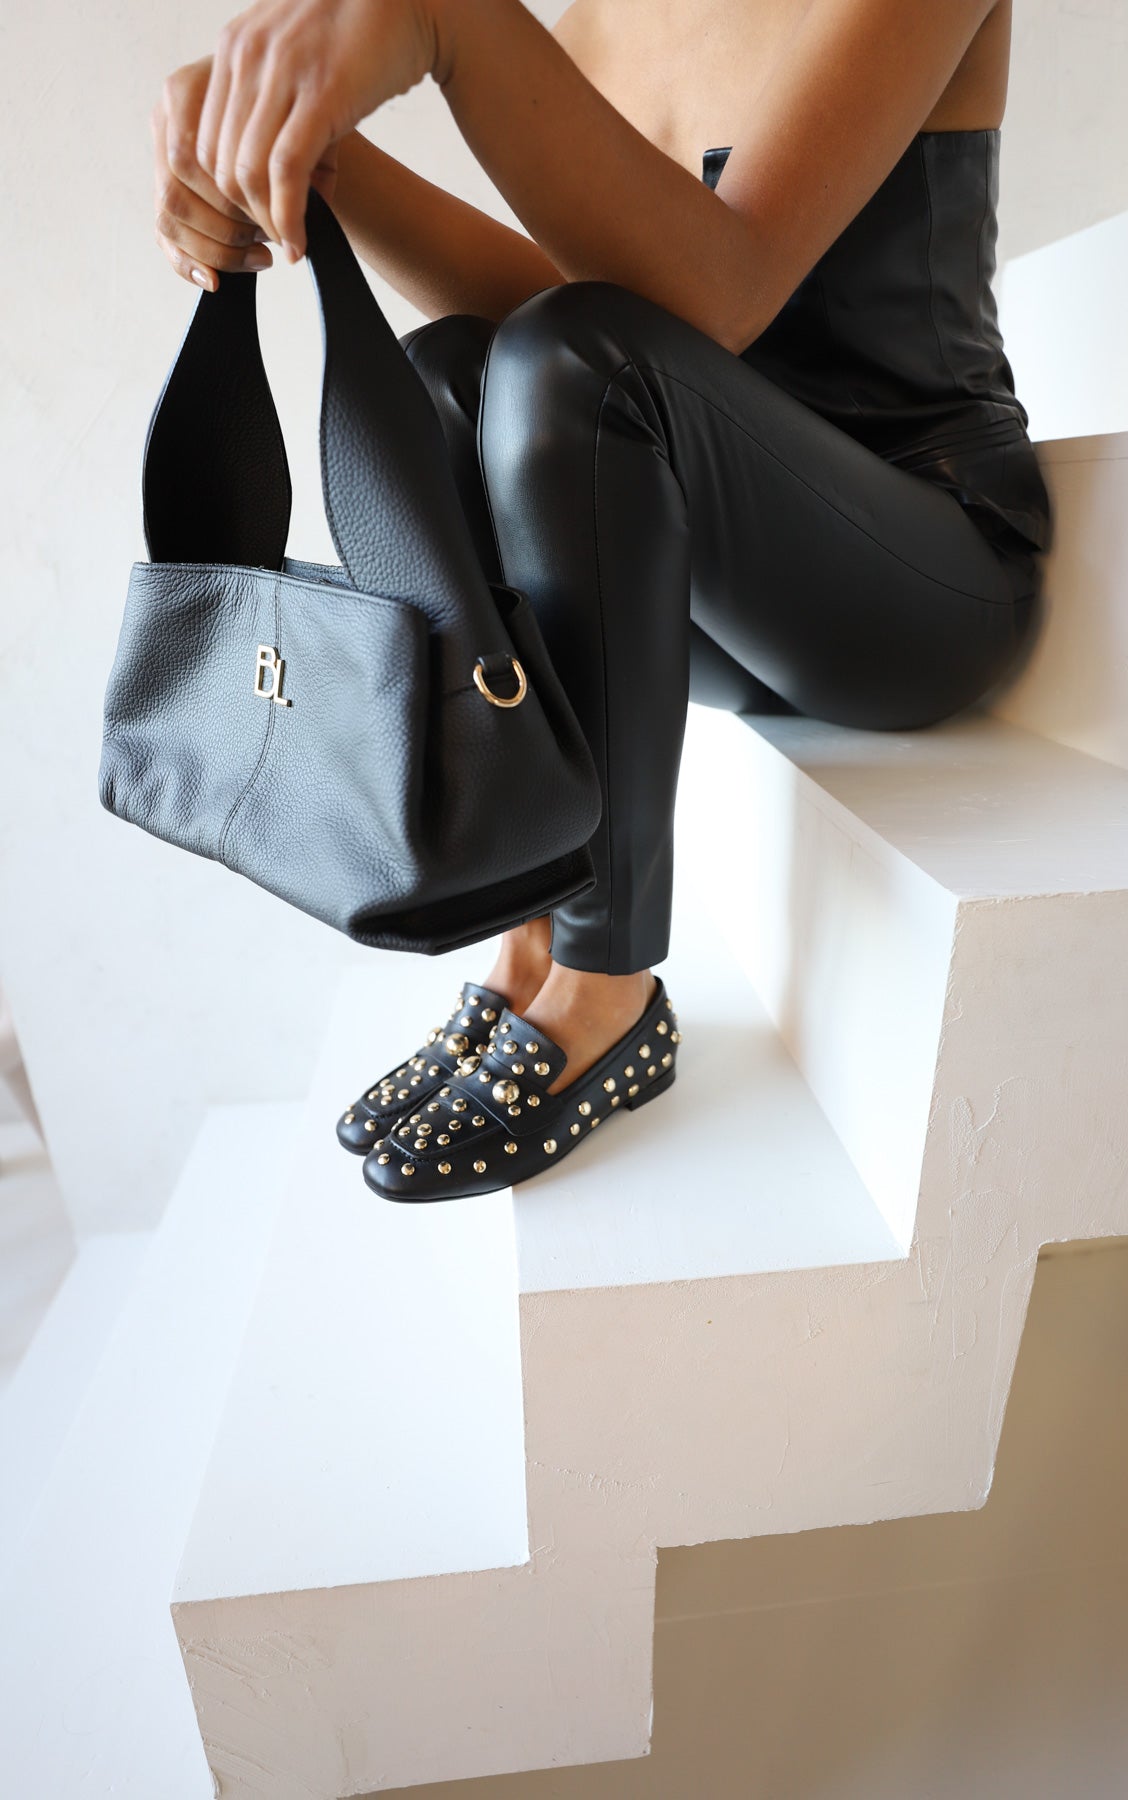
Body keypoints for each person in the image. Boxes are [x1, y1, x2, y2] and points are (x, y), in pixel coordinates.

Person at [150, 0, 1053, 1202]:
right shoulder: (597, 26)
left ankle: (607, 975)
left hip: (926, 576)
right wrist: (315, 164)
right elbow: (561, 318)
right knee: (453, 373)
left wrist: (445, 23)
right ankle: (526, 926)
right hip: (733, 596)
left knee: (569, 364)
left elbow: (718, 292)